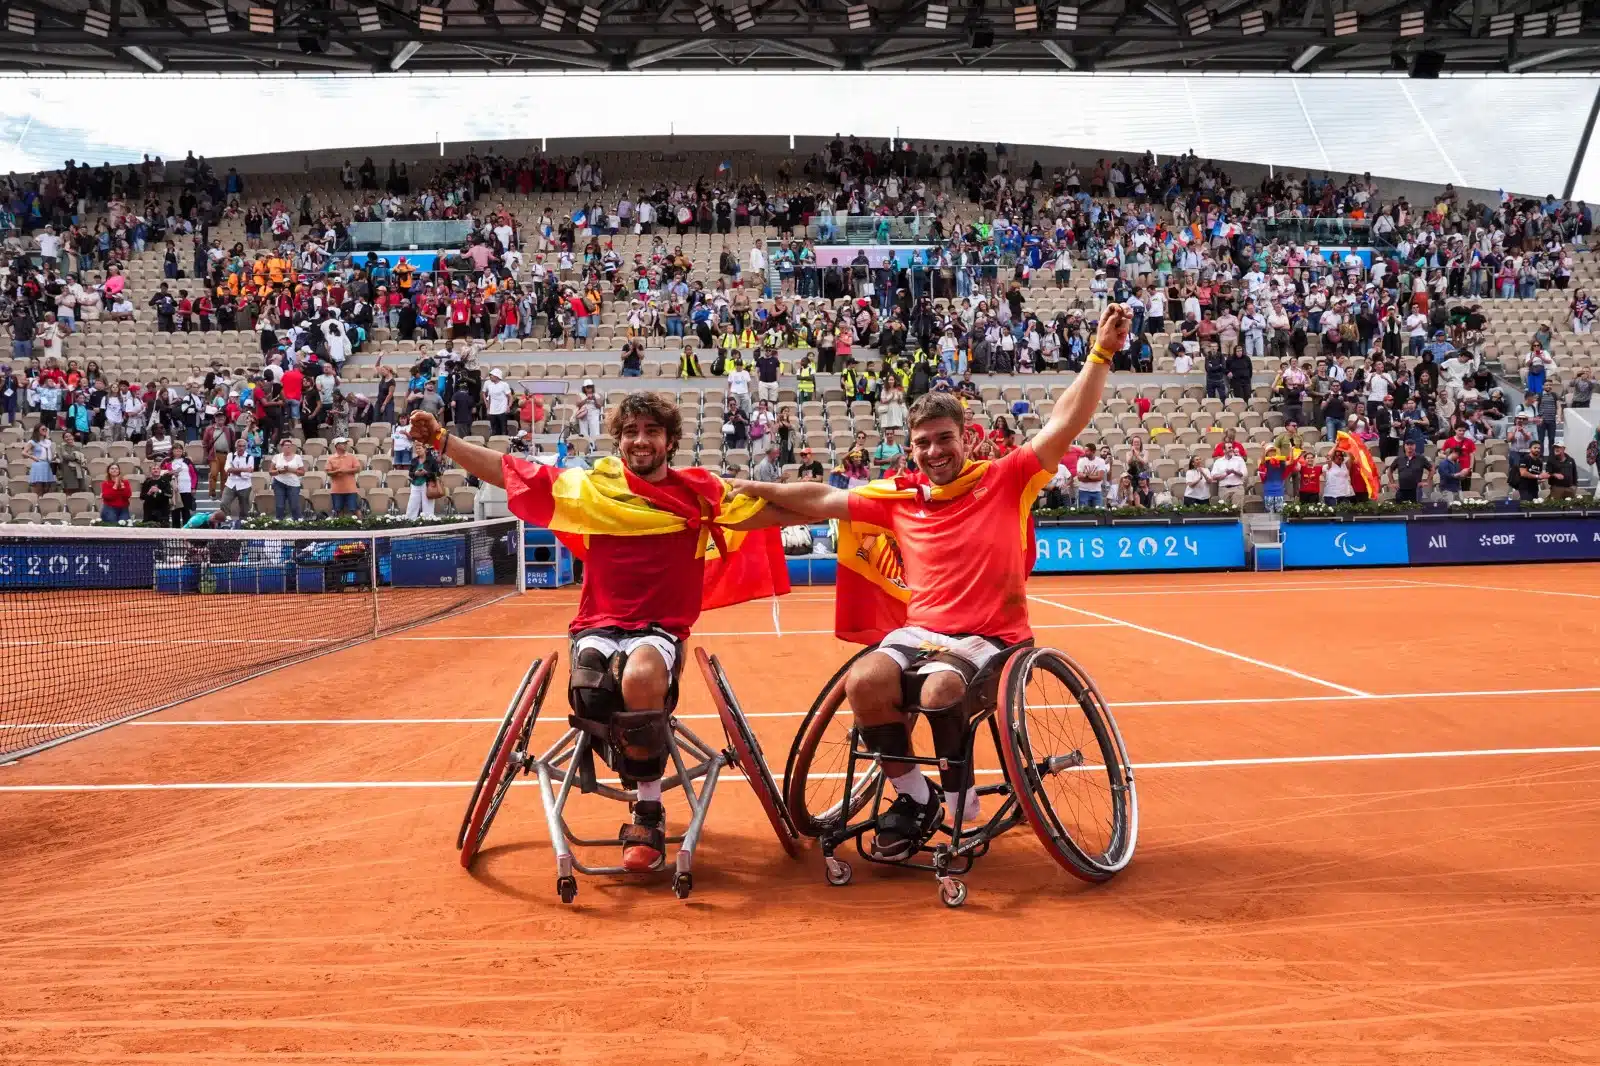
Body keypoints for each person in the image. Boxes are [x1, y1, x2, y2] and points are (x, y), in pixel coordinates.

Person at [729, 305, 1132, 860]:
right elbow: (818, 500)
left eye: (944, 439)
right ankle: (916, 797)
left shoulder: (1006, 478)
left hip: (995, 640)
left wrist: (1101, 353)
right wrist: (736, 492)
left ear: (966, 437)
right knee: (863, 682)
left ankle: (961, 798)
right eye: (923, 443)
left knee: (943, 689)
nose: (934, 452)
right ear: (909, 446)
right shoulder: (900, 497)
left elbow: (1066, 420)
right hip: (922, 633)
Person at [404, 392, 790, 872]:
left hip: (660, 628)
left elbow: (774, 511)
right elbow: (507, 470)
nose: (641, 441)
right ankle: (632, 743)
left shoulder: (699, 494)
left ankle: (647, 808)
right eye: (631, 432)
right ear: (619, 440)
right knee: (588, 682)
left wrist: (852, 509)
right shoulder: (592, 489)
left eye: (652, 432)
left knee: (641, 677)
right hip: (598, 625)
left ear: (670, 440)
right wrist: (443, 440)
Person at [268, 437, 306, 519]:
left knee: (294, 505)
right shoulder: (277, 457)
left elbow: (302, 473)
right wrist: (279, 471)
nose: (288, 447)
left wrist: (291, 470)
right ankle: (279, 523)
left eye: (290, 445)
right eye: (286, 445)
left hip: (293, 484)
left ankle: (297, 522)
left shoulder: (297, 457)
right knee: (279, 505)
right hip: (279, 483)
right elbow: (270, 472)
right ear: (282, 447)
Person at [220, 435, 255, 519]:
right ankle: (227, 521)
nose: (241, 448)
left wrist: (234, 470)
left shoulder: (250, 457)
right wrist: (244, 469)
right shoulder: (230, 455)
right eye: (239, 446)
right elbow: (227, 469)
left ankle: (243, 525)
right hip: (230, 484)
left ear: (246, 447)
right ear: (236, 447)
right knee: (224, 503)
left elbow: (248, 475)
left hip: (245, 486)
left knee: (244, 508)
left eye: (243, 446)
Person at [1387, 438, 1432, 504]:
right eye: (1407, 445)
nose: (1409, 446)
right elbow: (1390, 470)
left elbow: (1432, 469)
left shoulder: (1421, 458)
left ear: (1415, 446)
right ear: (1404, 446)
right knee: (1401, 510)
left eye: (1412, 444)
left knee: (1415, 510)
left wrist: (1427, 481)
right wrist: (1392, 482)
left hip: (1416, 490)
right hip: (1401, 489)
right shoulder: (1399, 458)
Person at [327, 436, 363, 515]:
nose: (345, 445)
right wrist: (337, 471)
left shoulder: (352, 456)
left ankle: (361, 525)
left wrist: (346, 471)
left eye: (345, 444)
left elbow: (358, 469)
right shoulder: (331, 458)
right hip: (336, 489)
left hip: (351, 489)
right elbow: (328, 472)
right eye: (343, 444)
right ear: (337, 446)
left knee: (355, 509)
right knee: (338, 510)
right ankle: (341, 526)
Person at [26, 424, 55, 496]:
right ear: (37, 431)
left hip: (47, 465)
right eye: (43, 429)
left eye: (46, 429)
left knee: (47, 488)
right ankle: (38, 504)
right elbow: (23, 452)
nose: (45, 430)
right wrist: (32, 457)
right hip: (38, 465)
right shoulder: (32, 442)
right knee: (39, 489)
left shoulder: (48, 441)